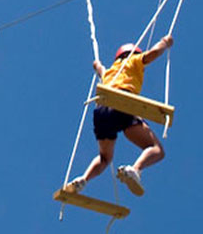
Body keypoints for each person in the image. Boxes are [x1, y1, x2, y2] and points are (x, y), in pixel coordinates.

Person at [66, 34, 173, 197]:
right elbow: (152, 53)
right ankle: (134, 170)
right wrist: (165, 43)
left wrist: (98, 66)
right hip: (122, 103)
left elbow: (101, 70)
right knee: (157, 149)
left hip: (102, 110)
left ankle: (84, 179)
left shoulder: (110, 73)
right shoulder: (133, 60)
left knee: (105, 158)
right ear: (134, 53)